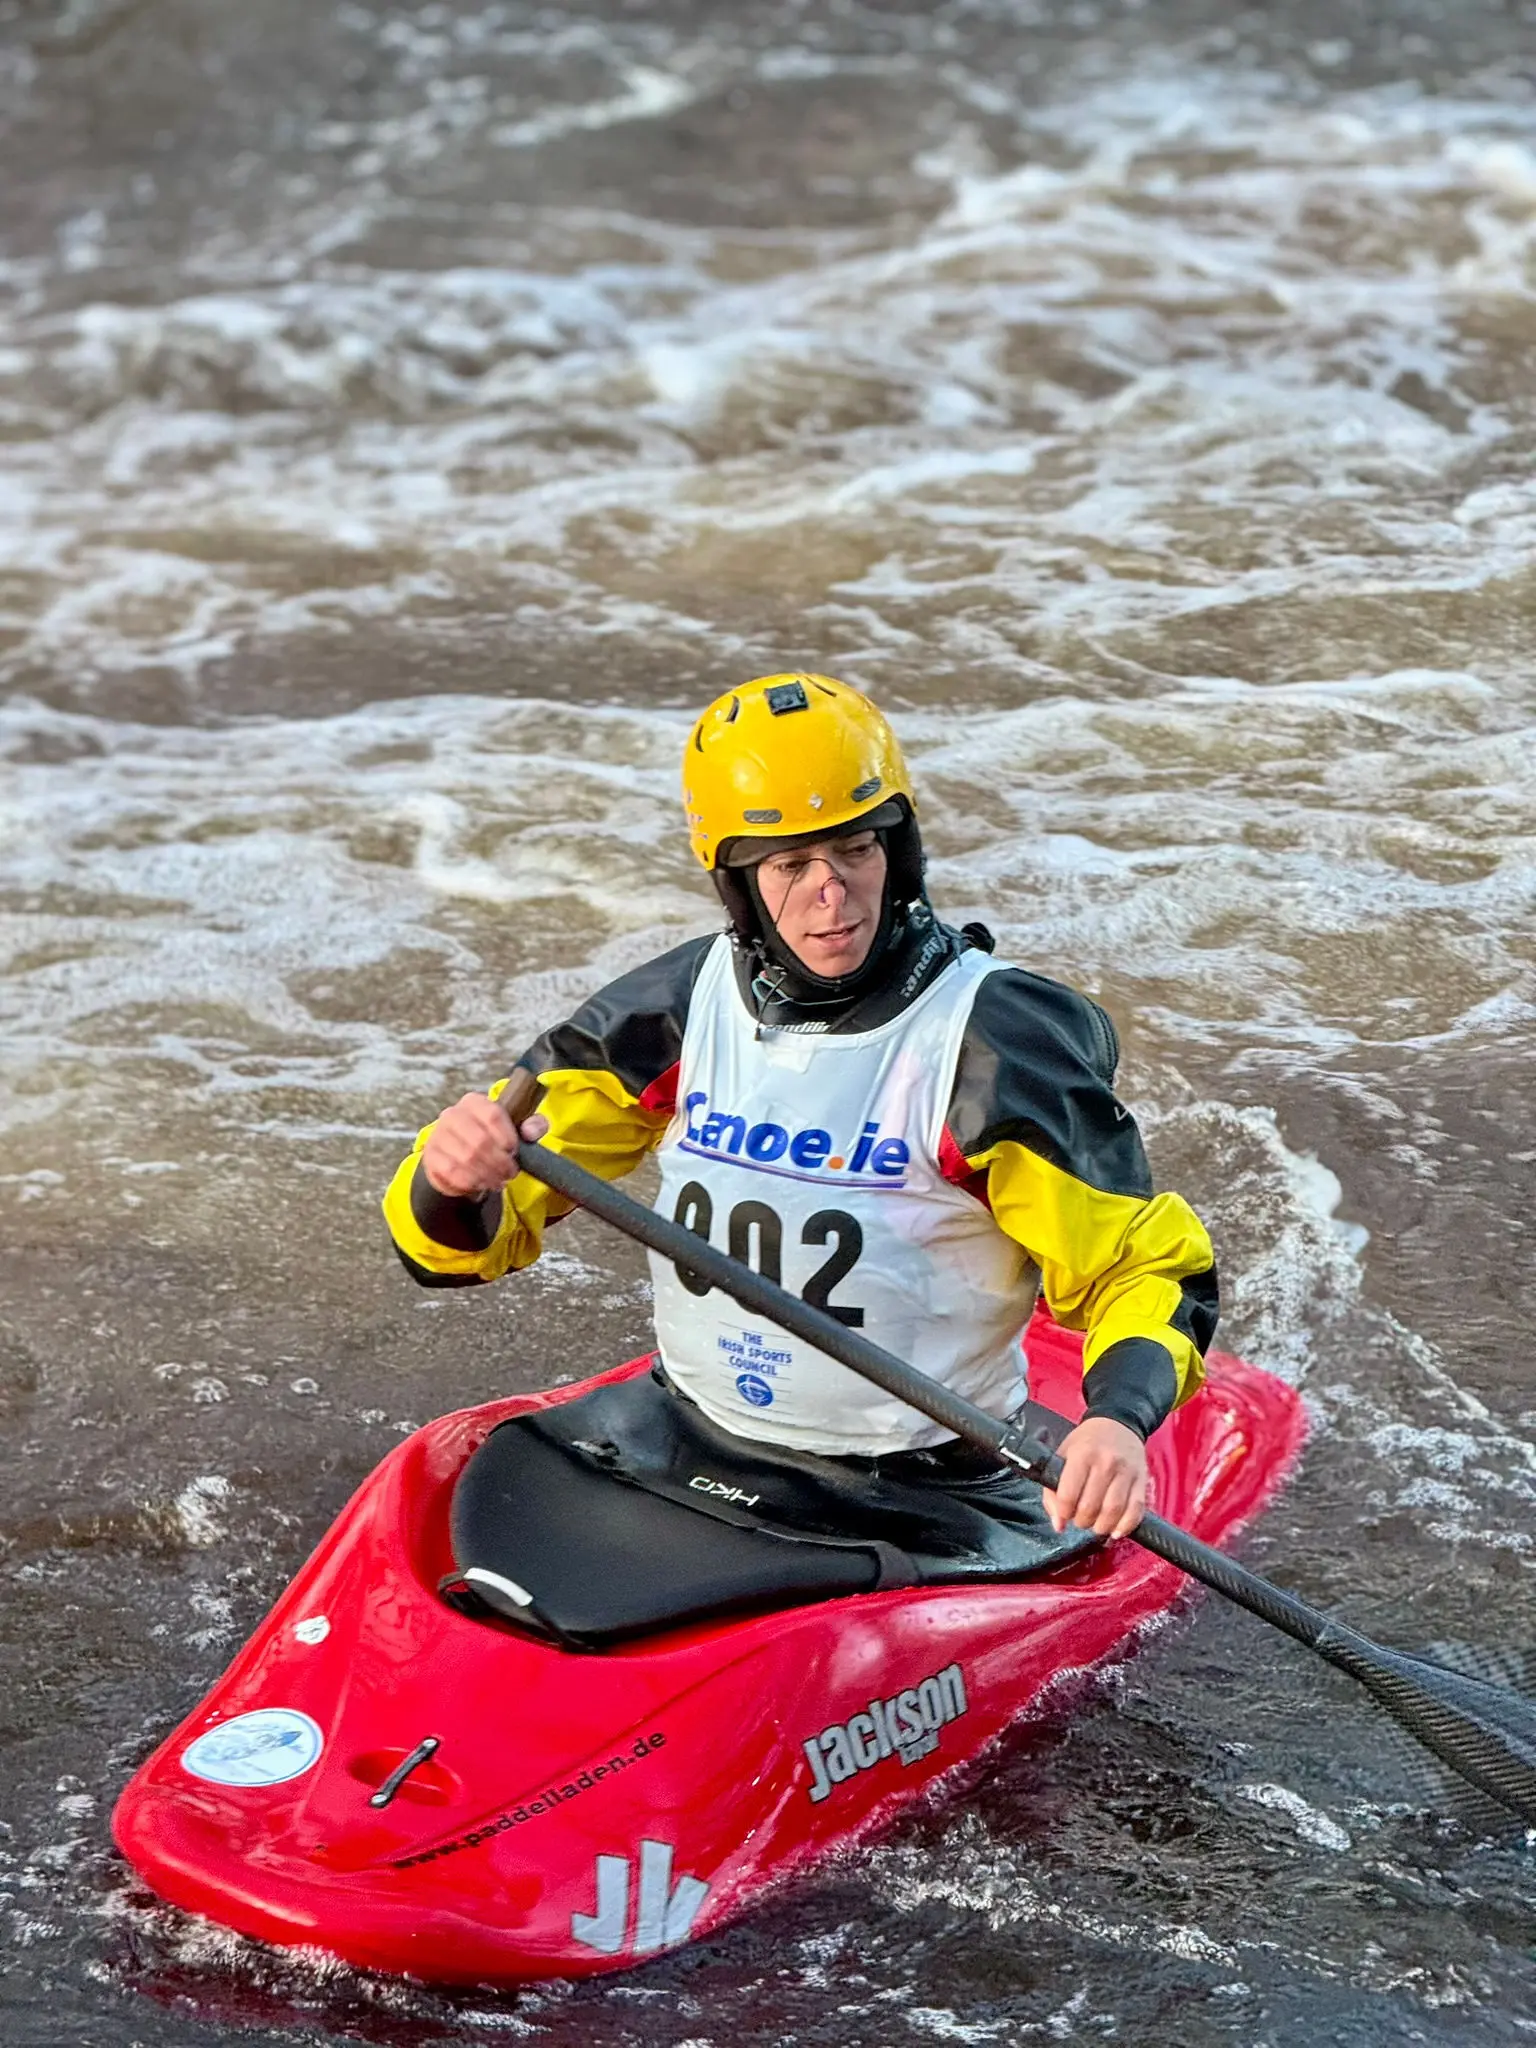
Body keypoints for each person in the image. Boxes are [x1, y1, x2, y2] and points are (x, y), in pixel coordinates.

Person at [383, 673, 1218, 1542]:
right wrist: (454, 1179)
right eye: (790, 865)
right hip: (691, 1429)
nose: (832, 891)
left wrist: (1117, 1419)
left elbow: (1144, 1269)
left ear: (898, 850)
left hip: (920, 1484)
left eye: (856, 849)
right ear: (738, 882)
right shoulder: (675, 1010)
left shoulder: (991, 1046)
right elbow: (449, 1255)